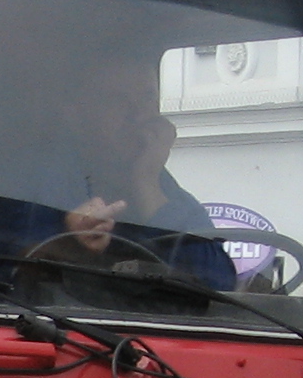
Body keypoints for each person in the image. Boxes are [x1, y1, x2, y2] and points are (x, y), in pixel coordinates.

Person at [12, 54, 237, 290]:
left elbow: (220, 285)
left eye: (148, 98)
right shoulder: (27, 183)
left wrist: (147, 185)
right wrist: (68, 244)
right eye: (117, 101)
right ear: (75, 115)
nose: (139, 115)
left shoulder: (162, 187)